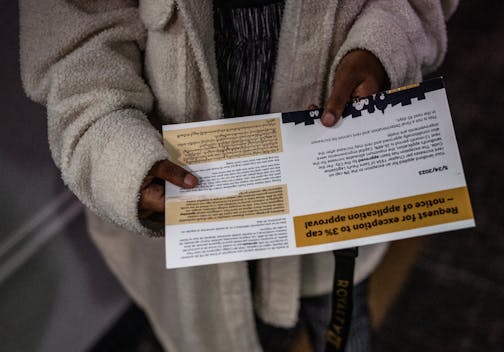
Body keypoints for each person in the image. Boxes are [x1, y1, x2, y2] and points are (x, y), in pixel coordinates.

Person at [20, 0, 457, 351]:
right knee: (196, 327)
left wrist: (382, 46)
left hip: (333, 180)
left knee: (342, 317)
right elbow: (76, 44)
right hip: (183, 196)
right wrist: (118, 154)